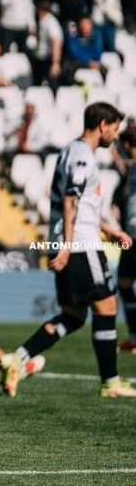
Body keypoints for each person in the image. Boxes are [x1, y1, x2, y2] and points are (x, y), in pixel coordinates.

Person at [0, 102, 136, 398]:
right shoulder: (82, 155)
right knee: (107, 306)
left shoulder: (72, 151)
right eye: (114, 128)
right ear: (102, 125)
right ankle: (111, 382)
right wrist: (67, 246)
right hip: (80, 245)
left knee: (74, 316)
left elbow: (80, 204)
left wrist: (109, 230)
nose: (116, 135)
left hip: (75, 240)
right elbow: (70, 201)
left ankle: (17, 359)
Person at [112, 126, 136, 353]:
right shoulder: (131, 170)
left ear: (127, 145)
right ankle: (134, 337)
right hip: (131, 237)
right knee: (124, 284)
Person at [32, 1, 64, 92]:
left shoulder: (50, 22)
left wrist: (55, 63)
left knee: (52, 86)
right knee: (37, 87)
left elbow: (56, 42)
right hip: (41, 58)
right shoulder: (44, 21)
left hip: (49, 59)